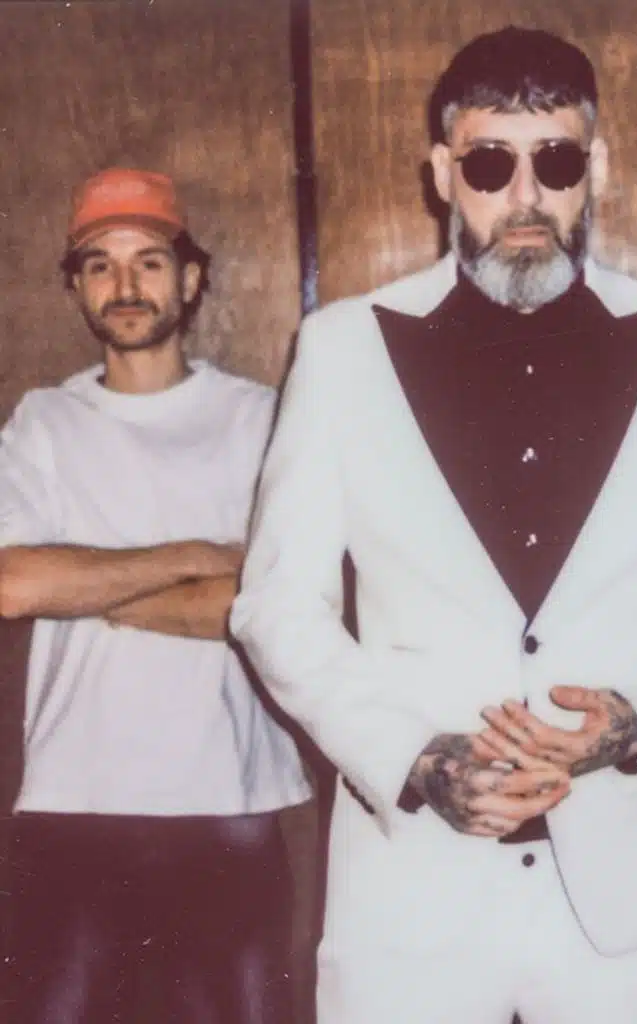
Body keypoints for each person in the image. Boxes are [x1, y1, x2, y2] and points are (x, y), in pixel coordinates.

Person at [230, 26, 637, 1024]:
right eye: (491, 165)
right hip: (409, 904)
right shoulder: (341, 351)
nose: (525, 197)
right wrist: (412, 758)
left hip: (624, 913)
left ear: (597, 171)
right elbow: (276, 605)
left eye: (558, 163)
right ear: (442, 175)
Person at [0, 168, 310, 1024]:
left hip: (228, 805)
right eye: (99, 265)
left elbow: (263, 605)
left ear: (191, 277)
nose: (125, 285)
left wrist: (85, 586)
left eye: (149, 261)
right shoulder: (42, 423)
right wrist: (196, 555)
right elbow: (15, 585)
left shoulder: (261, 418)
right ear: (75, 287)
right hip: (74, 803)